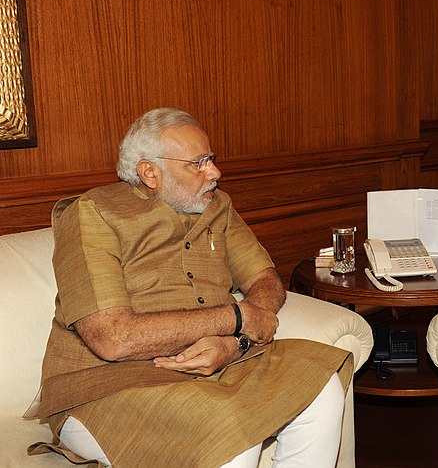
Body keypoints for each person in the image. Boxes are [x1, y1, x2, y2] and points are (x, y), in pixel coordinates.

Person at [27, 108, 353, 467]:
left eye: (210, 159)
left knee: (322, 391)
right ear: (149, 172)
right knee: (227, 434)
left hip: (219, 363)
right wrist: (235, 318)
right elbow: (112, 338)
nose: (214, 173)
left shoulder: (218, 206)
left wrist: (235, 342)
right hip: (104, 387)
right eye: (197, 164)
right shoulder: (93, 214)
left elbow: (264, 281)